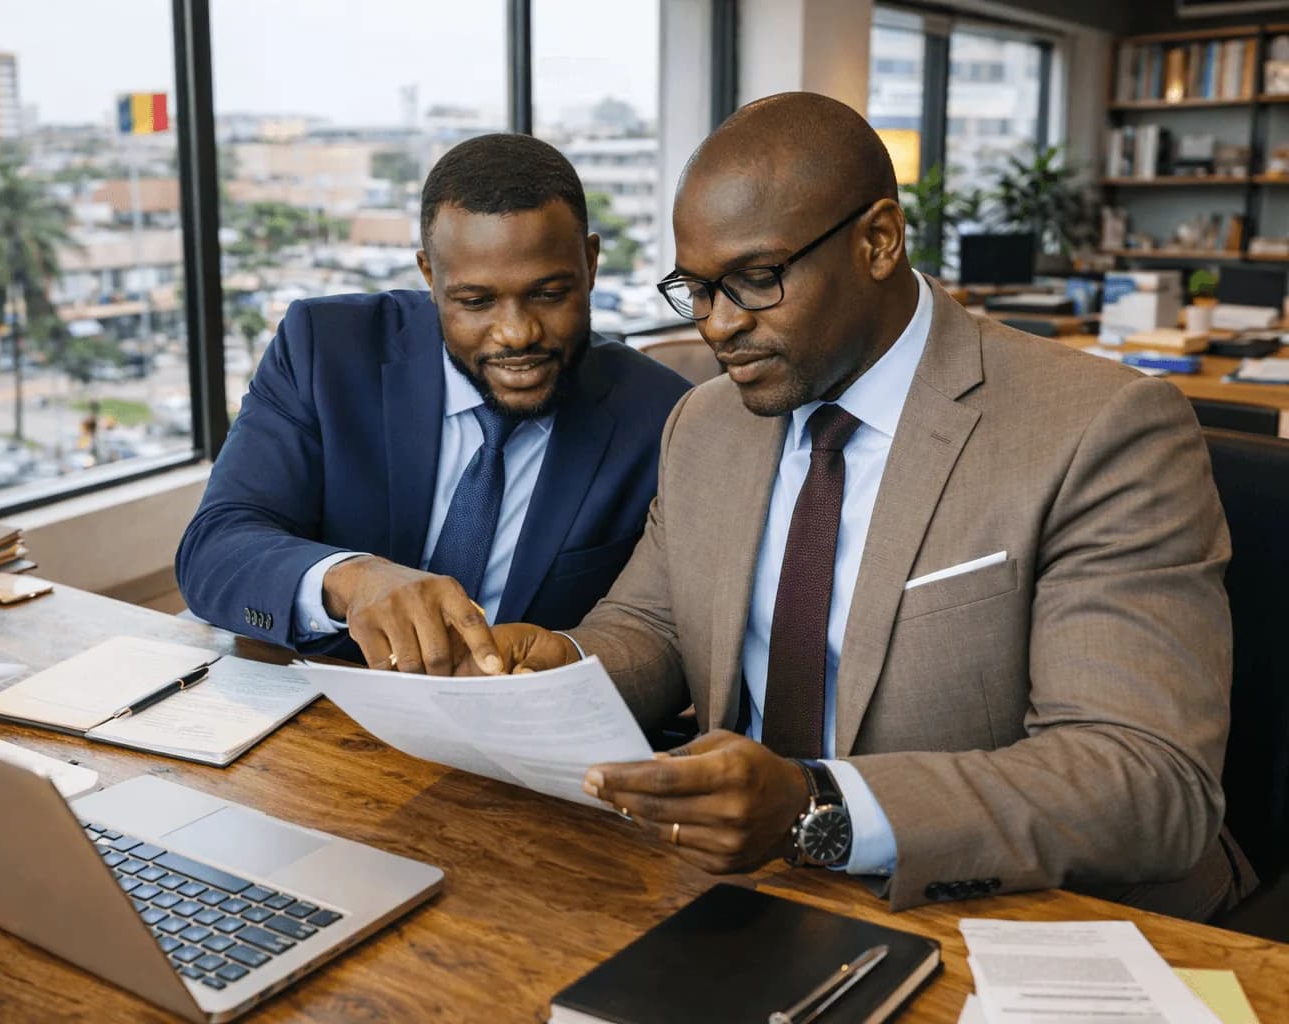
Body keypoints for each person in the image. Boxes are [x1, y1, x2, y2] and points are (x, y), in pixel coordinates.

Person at [458, 93, 1254, 918]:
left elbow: (1146, 778)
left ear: (878, 240)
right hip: (754, 895)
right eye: (695, 289)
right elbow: (656, 626)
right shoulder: (706, 423)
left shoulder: (1101, 429)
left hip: (1034, 911)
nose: (719, 326)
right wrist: (557, 668)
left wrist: (818, 806)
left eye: (755, 280)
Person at [176, 133, 691, 670]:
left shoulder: (661, 416)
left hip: (513, 731)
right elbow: (215, 548)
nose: (517, 332)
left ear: (590, 263)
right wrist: (351, 579)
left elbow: (664, 632)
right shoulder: (324, 349)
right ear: (429, 276)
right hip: (322, 706)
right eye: (476, 301)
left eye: (548, 294)